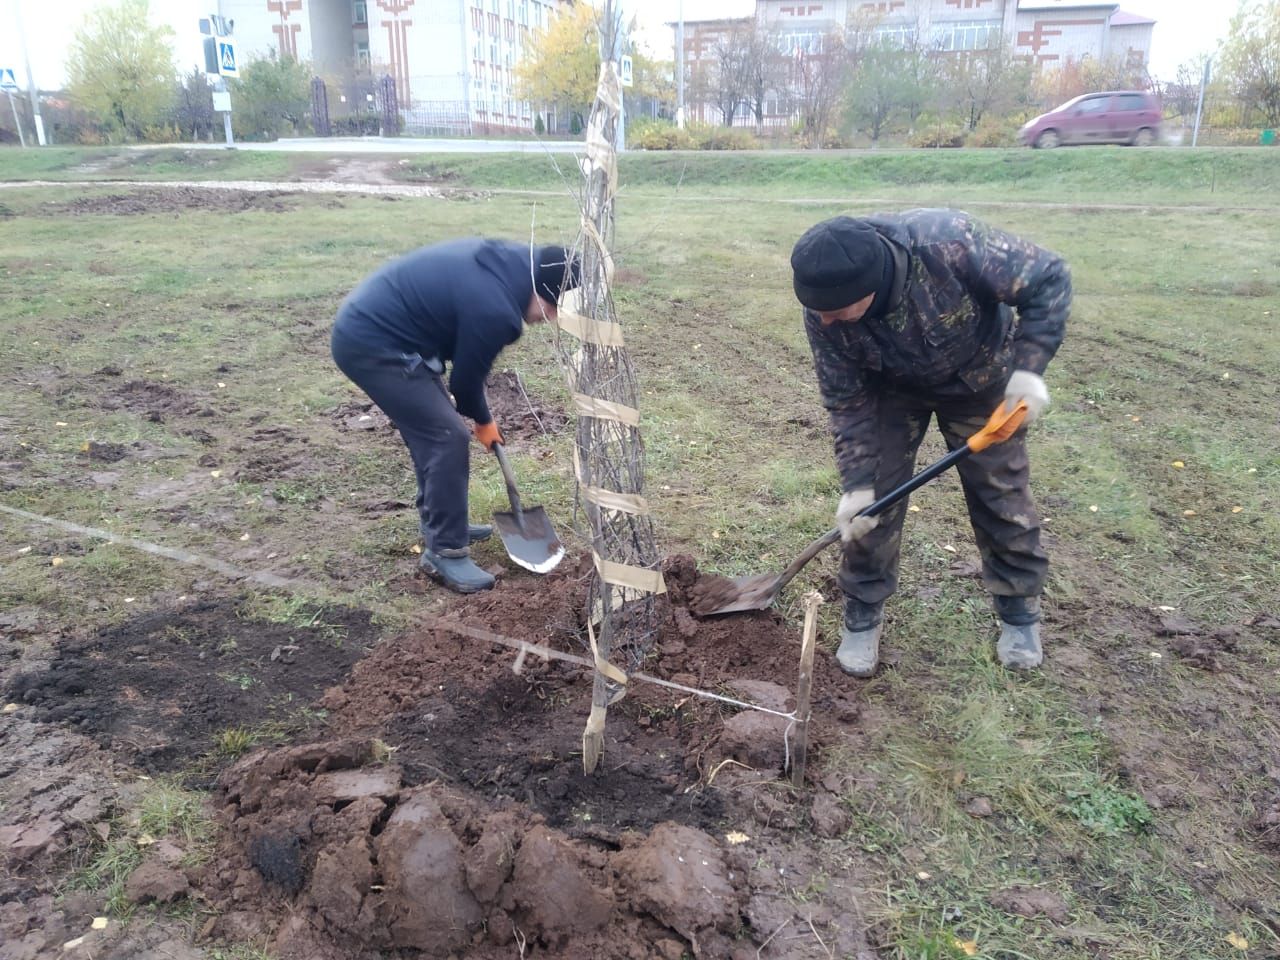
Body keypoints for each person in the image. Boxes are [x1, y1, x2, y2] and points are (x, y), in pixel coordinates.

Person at [790, 210, 1071, 676]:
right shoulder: (825, 315)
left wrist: (1028, 369)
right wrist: (857, 483)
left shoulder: (950, 243)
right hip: (890, 391)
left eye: (837, 310)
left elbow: (1049, 278)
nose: (826, 319)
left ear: (872, 285)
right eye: (818, 309)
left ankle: (1019, 612)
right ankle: (862, 613)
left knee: (1000, 493)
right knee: (870, 504)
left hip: (980, 381)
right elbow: (846, 401)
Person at [331, 238, 580, 594]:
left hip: (398, 335)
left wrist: (482, 417)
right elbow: (465, 382)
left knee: (434, 430)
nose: (552, 318)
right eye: (555, 307)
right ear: (542, 290)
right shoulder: (498, 311)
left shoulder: (509, 264)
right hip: (373, 343)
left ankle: (443, 522)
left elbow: (464, 362)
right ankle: (444, 550)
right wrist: (482, 419)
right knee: (445, 437)